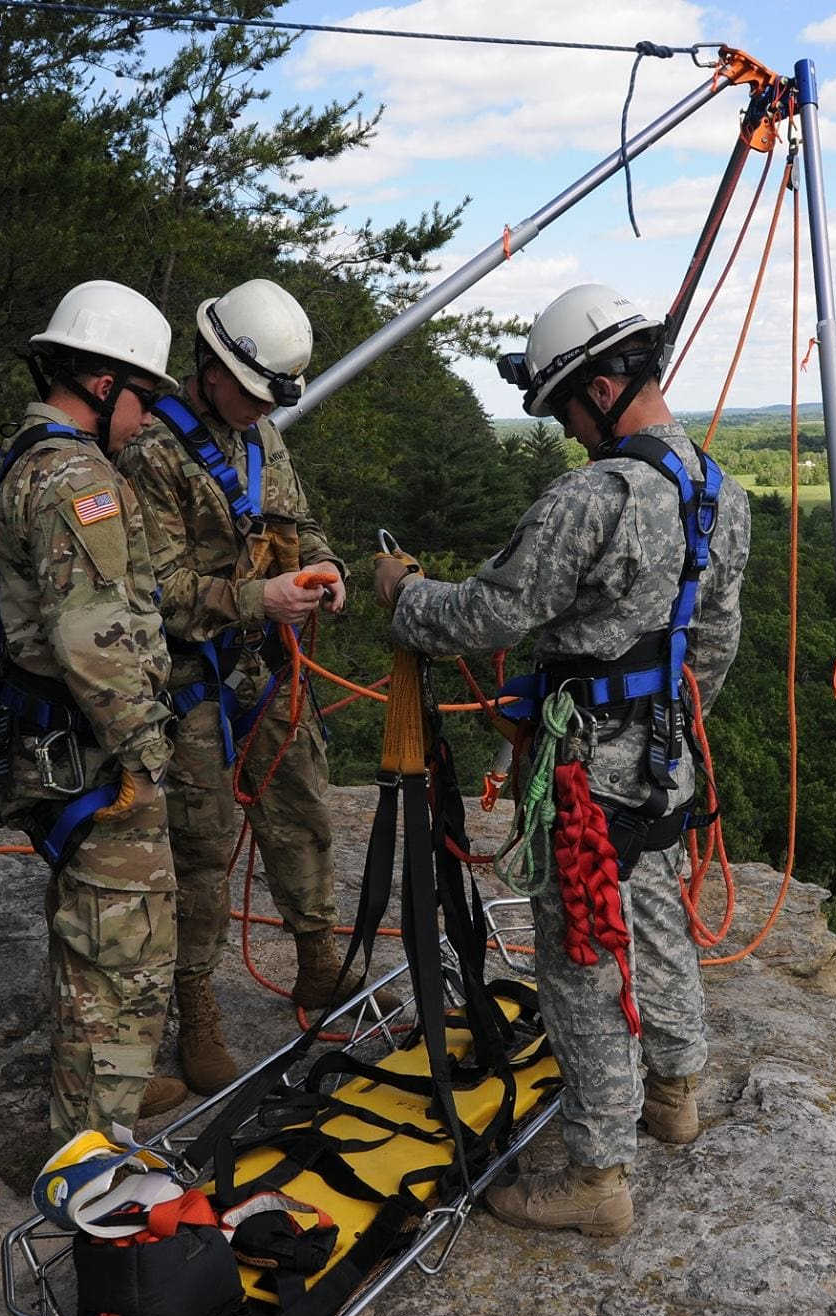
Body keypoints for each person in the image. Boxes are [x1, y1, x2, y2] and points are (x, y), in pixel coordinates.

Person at [377, 283, 750, 1237]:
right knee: (655, 916)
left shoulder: (598, 497)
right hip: (665, 761)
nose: (571, 434)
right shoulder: (718, 490)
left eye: (565, 412)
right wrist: (666, 729)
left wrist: (404, 595)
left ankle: (598, 1177)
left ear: (599, 389)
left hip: (587, 774)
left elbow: (489, 613)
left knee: (582, 957)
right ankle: (675, 1093)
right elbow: (713, 645)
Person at [119, 278, 358, 1096]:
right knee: (200, 849)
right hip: (191, 681)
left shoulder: (262, 437)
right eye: (254, 392)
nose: (262, 408)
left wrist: (324, 567)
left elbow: (300, 523)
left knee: (303, 809)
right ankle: (196, 1010)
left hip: (269, 669)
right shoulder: (151, 453)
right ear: (212, 369)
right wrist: (259, 599)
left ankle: (317, 959)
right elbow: (154, 589)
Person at [0, 280, 184, 1143]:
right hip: (96, 752)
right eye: (143, 399)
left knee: (90, 937)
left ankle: (100, 1100)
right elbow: (94, 637)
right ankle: (95, 1154)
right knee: (124, 953)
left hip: (55, 741)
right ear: (104, 384)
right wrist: (145, 752)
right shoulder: (76, 479)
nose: (147, 419)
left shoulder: (24, 457)